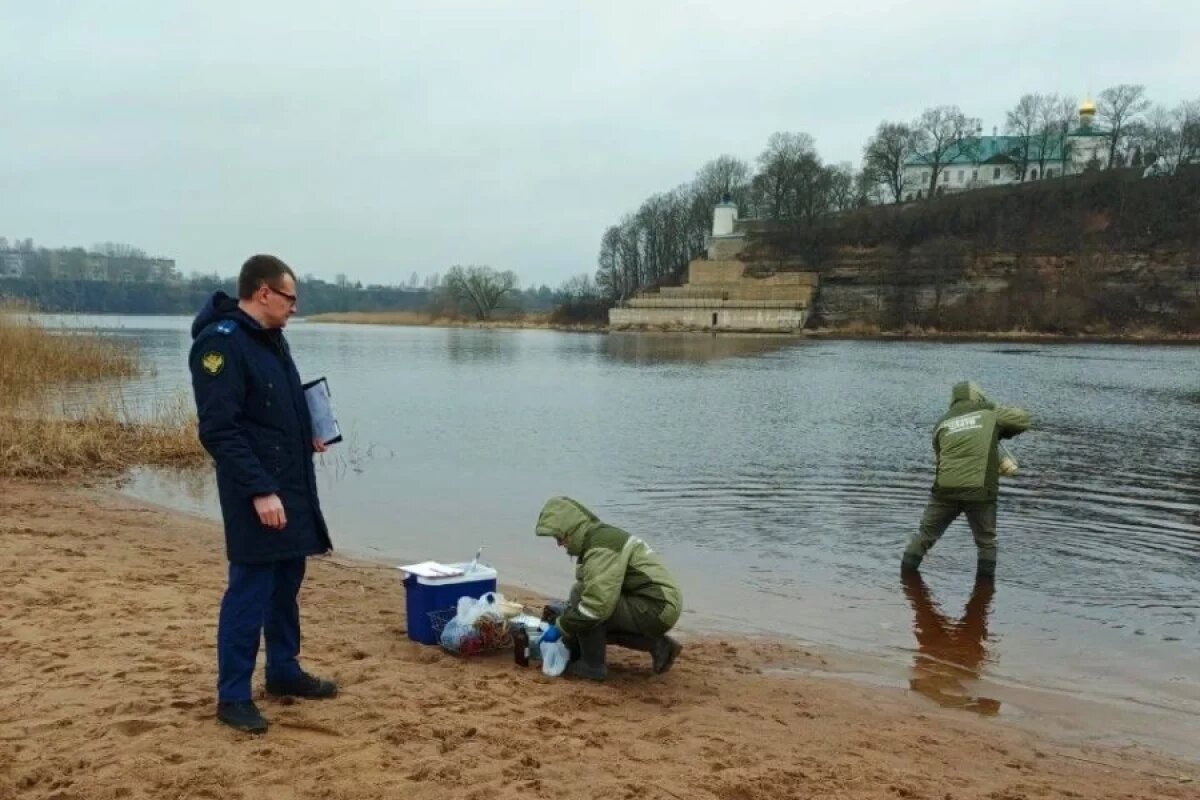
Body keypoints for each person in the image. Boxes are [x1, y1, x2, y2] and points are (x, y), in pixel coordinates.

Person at [189, 254, 337, 734]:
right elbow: (219, 429)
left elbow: (275, 407)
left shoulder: (272, 340)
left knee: (286, 584)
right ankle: (233, 694)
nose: (295, 307)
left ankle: (283, 671)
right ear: (264, 292)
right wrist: (259, 491)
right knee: (249, 591)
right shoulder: (221, 344)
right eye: (291, 297)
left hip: (291, 484)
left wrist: (310, 431)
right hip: (257, 493)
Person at [535, 496, 682, 680]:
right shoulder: (598, 538)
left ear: (570, 530)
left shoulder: (601, 547)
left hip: (656, 606)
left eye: (559, 537)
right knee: (583, 607)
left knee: (584, 602)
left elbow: (596, 606)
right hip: (655, 603)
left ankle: (592, 667)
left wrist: (560, 627)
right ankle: (658, 644)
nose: (559, 544)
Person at [902, 381, 1030, 579]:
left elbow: (941, 457)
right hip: (980, 492)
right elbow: (1023, 420)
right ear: (978, 396)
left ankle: (904, 581)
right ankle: (984, 595)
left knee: (924, 536)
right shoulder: (989, 411)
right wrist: (995, 417)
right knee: (986, 542)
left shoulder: (942, 423)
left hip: (944, 491)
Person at [902, 572, 999, 715]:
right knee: (979, 607)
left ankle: (909, 576)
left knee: (920, 602)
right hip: (940, 677)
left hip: (935, 677)